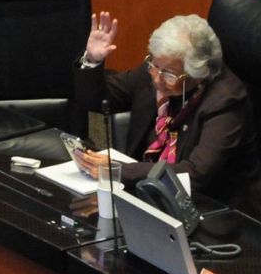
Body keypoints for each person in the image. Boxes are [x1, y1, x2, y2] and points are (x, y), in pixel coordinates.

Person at [74, 11, 261, 216]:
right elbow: (97, 102)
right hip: (150, 195)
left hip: (213, 212)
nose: (157, 79)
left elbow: (194, 174)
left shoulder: (226, 101)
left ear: (198, 74)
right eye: (154, 65)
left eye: (170, 74)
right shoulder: (157, 71)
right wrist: (93, 60)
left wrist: (120, 170)